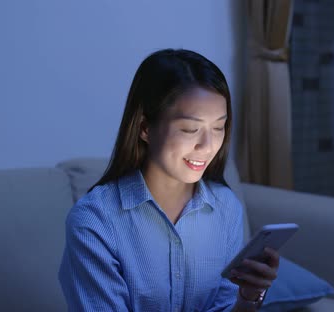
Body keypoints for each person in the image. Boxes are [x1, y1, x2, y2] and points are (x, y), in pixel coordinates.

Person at [58, 49, 280, 311]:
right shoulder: (95, 221)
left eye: (218, 127)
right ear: (145, 128)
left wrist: (249, 297)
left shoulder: (225, 207)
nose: (207, 146)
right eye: (190, 129)